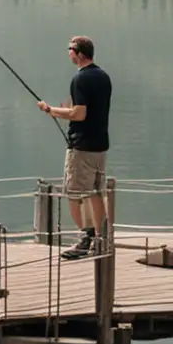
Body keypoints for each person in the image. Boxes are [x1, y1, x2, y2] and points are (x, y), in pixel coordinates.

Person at [37, 35, 112, 260]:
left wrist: (51, 110)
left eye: (70, 49)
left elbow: (79, 114)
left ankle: (84, 239)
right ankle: (100, 238)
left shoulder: (80, 79)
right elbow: (90, 108)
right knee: (96, 192)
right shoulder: (103, 76)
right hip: (100, 145)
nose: (68, 52)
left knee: (73, 193)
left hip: (82, 147)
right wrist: (66, 110)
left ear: (79, 53)